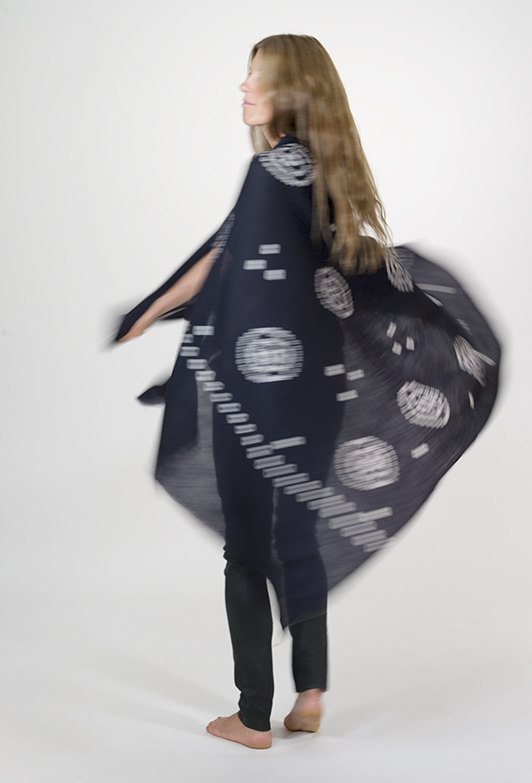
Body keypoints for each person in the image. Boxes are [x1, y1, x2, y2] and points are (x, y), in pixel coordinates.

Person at [115, 35, 500, 750]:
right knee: (295, 534)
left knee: (245, 551)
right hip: (317, 388)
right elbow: (260, 260)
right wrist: (153, 309)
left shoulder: (269, 169)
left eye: (256, 76)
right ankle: (311, 694)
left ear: (293, 89)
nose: (243, 87)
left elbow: (227, 262)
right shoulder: (326, 171)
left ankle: (252, 716)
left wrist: (158, 319)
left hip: (259, 389)